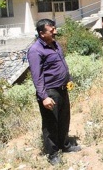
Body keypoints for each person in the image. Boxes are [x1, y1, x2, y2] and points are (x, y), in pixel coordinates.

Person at [27, 19, 81, 165]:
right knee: (51, 124)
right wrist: (44, 96)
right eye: (51, 30)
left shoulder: (55, 43)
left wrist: (68, 79)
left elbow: (62, 63)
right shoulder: (35, 50)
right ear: (42, 33)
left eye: (54, 29)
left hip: (62, 89)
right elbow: (37, 76)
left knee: (64, 119)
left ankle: (65, 145)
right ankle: (52, 154)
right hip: (50, 92)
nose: (55, 31)